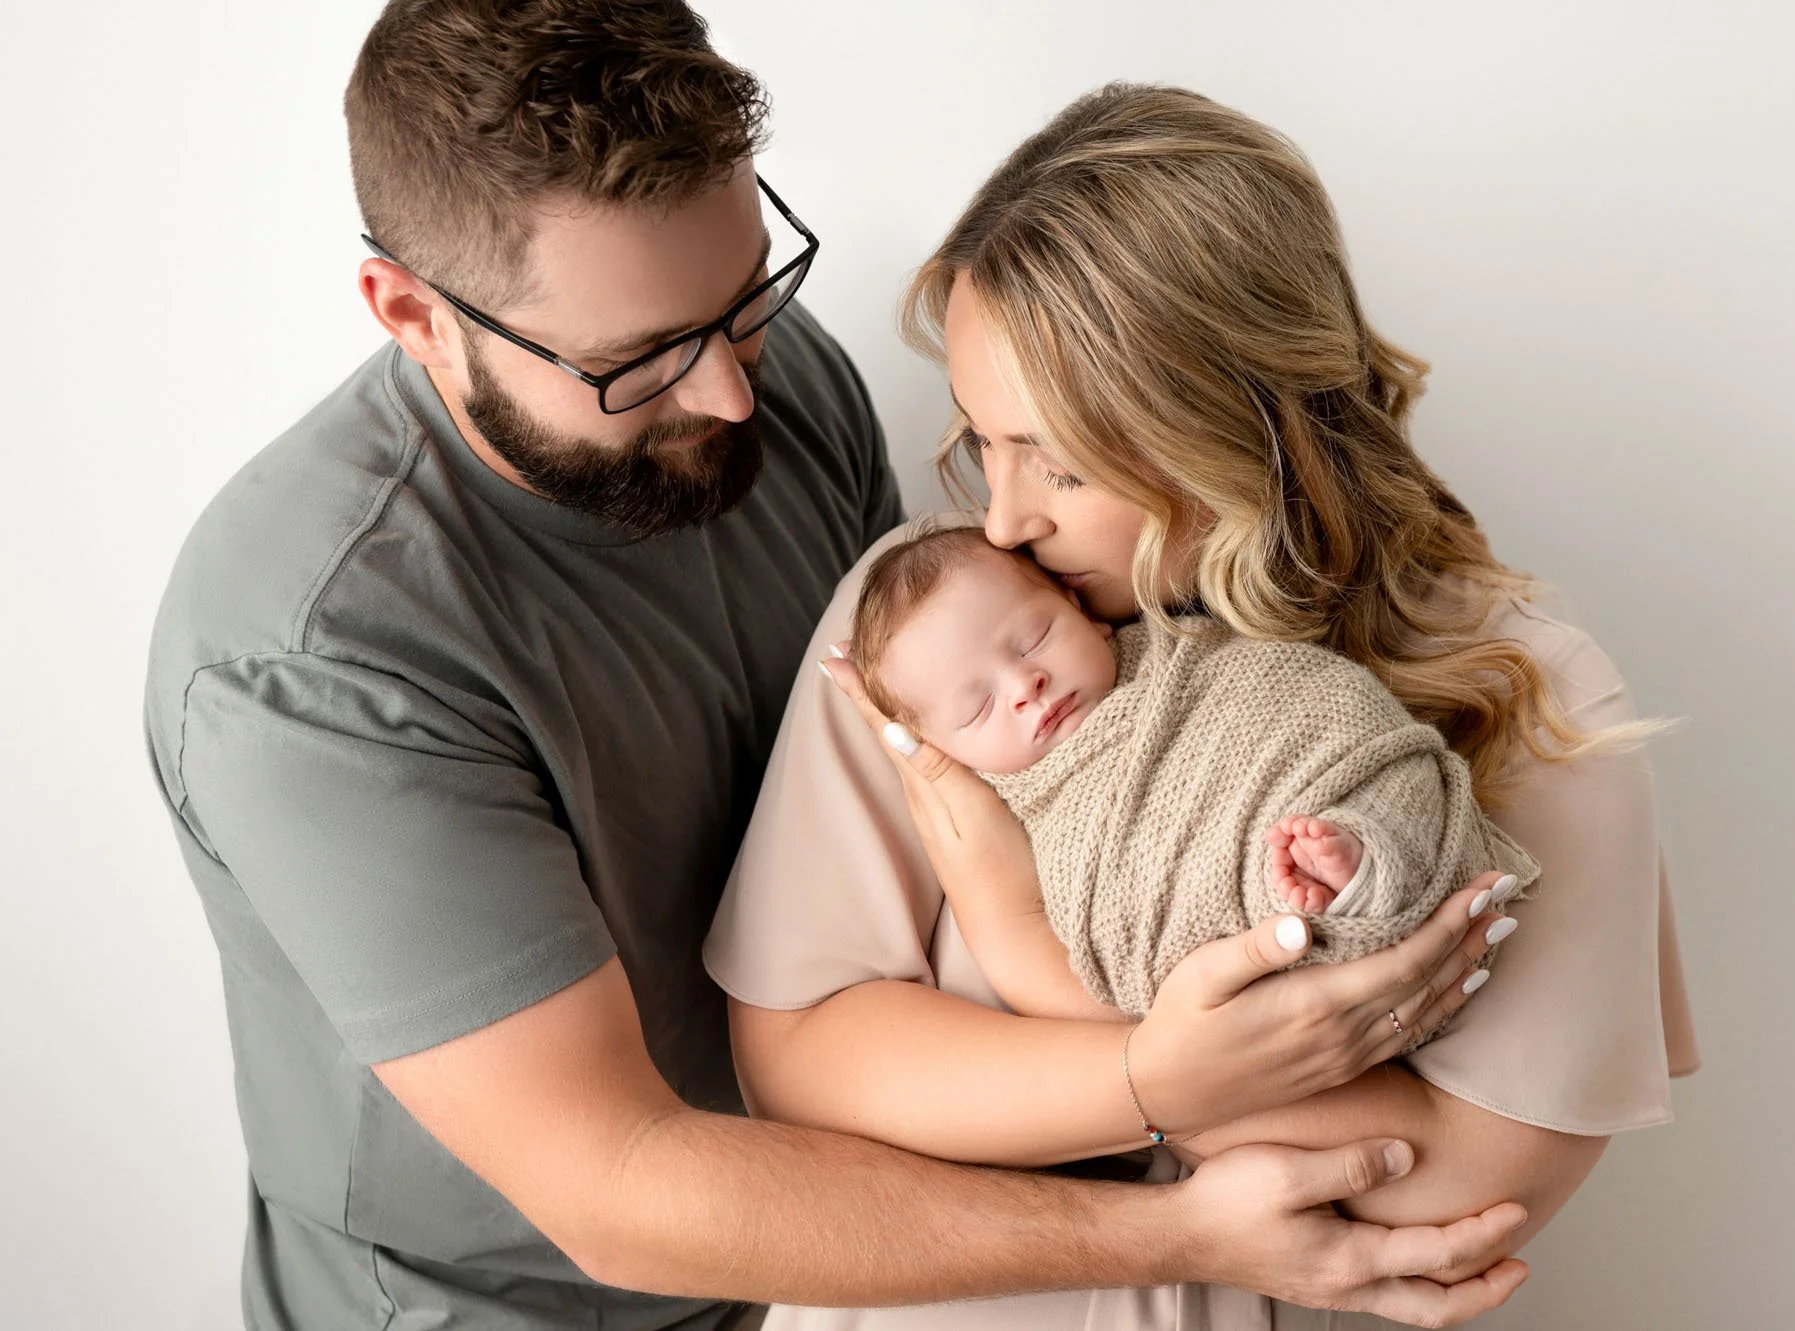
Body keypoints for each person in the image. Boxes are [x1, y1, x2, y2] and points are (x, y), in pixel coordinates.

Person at [144, 5, 1533, 1329]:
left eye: (744, 297)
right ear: (410, 312)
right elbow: (616, 1187)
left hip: (863, 1216)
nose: (735, 394)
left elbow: (930, 811)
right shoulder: (313, 666)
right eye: (641, 362)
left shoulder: (774, 382)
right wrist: (1175, 1204)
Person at [705, 81, 1700, 1329]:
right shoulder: (938, 622)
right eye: (981, 438)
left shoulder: (1518, 692)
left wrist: (1057, 1047)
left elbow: (1471, 1189)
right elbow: (799, 1057)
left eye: (1056, 461)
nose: (1004, 516)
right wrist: (1151, 1068)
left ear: (1229, 423)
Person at [845, 521, 1544, 1025]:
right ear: (945, 750)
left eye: (1033, 638)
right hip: (1249, 979)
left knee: (1344, 820)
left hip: (1320, 783)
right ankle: (1327, 886)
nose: (1024, 684)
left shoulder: (1200, 654)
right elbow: (1113, 940)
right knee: (1282, 877)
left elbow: (1320, 704)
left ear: (1082, 610)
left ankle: (1360, 864)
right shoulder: (1018, 813)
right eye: (977, 706)